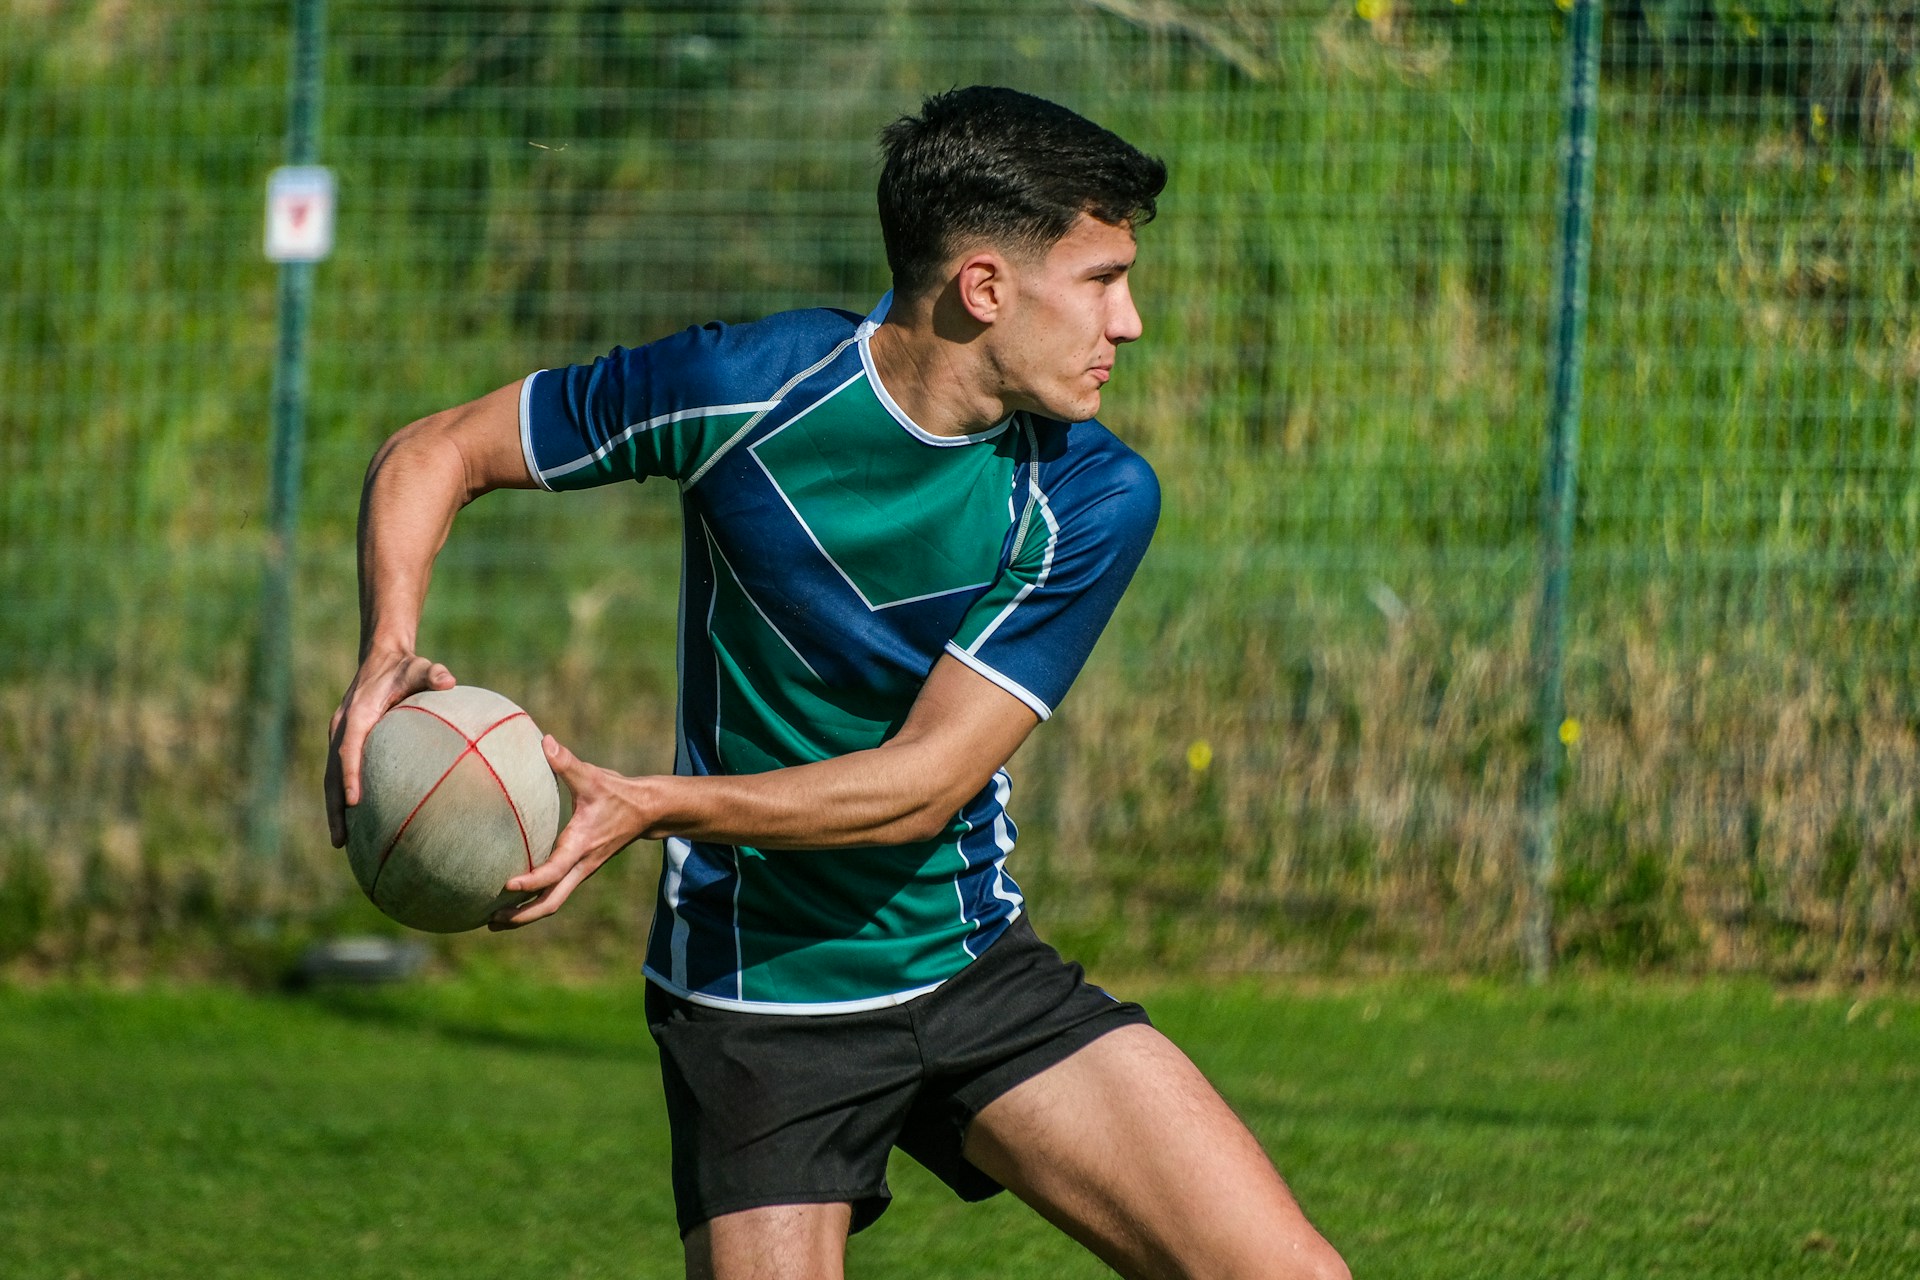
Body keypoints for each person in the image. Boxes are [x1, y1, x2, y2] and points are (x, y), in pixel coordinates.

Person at [325, 86, 1348, 1280]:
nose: (1130, 322)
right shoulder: (744, 387)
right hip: (756, 1006)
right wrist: (389, 643)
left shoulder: (1090, 493)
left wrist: (652, 804)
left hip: (970, 967)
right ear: (983, 287)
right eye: (1102, 280)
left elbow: (921, 785)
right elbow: (436, 448)